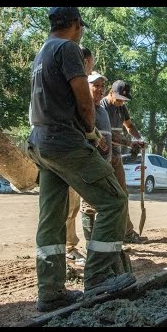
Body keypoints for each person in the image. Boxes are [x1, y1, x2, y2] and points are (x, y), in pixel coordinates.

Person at [27, 7, 136, 312]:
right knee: (114, 201)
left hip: (40, 143)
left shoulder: (41, 54)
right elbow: (84, 101)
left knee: (51, 219)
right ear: (76, 25)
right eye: (81, 27)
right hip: (64, 143)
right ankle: (99, 278)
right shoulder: (68, 48)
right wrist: (91, 132)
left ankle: (49, 292)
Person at [100, 80, 146, 244]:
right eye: (118, 98)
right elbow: (108, 136)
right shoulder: (101, 106)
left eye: (124, 100)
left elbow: (129, 125)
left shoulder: (121, 107)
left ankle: (127, 233)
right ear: (110, 92)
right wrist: (129, 143)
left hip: (116, 156)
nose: (121, 102)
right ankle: (105, 235)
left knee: (122, 194)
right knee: (104, 197)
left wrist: (139, 139)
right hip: (102, 156)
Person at [65, 47, 96, 267]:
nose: (90, 70)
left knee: (71, 206)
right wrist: (92, 133)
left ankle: (67, 248)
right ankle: (67, 249)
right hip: (66, 151)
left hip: (63, 149)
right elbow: (84, 111)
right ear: (84, 62)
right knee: (68, 206)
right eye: (91, 65)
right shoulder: (73, 83)